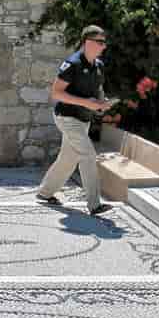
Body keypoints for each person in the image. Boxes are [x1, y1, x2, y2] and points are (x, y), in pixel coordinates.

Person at [36, 25, 115, 214]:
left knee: (68, 159)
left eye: (104, 42)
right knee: (88, 155)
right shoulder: (72, 64)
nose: (103, 46)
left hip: (83, 119)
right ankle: (94, 204)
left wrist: (100, 104)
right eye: (100, 42)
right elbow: (56, 93)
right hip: (67, 117)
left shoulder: (98, 66)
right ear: (87, 42)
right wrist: (86, 103)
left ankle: (45, 193)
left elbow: (98, 90)